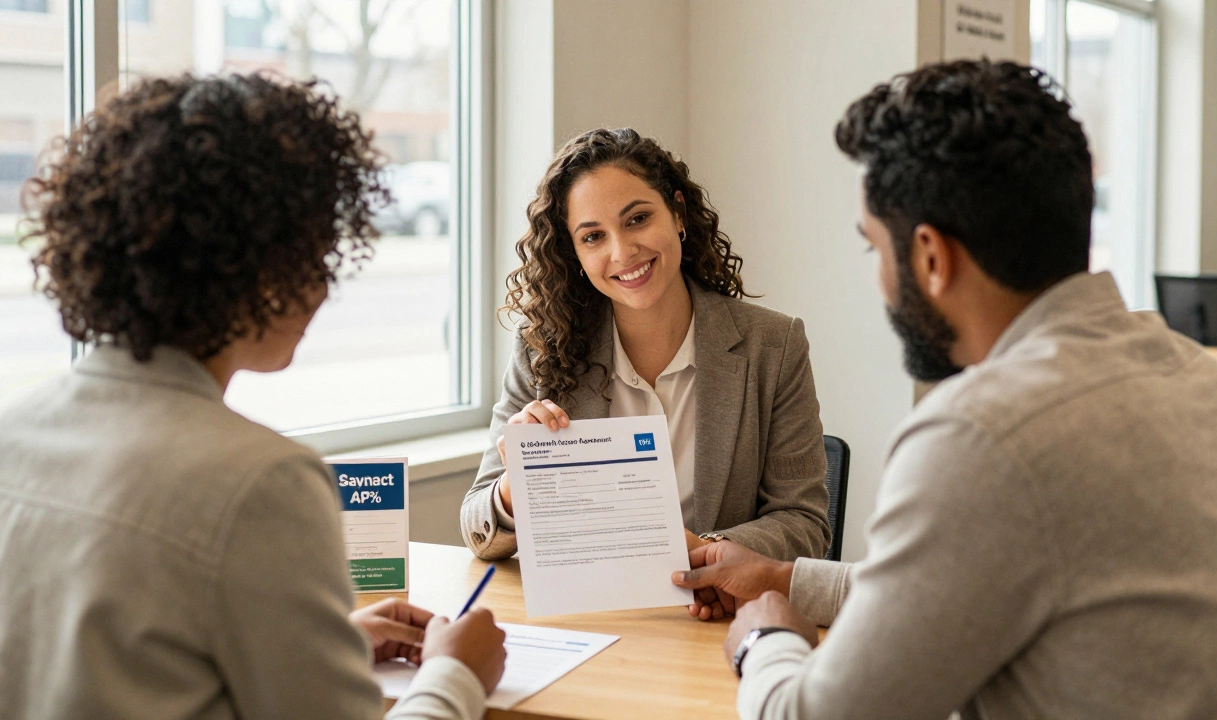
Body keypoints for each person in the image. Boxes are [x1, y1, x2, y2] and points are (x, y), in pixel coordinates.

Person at [671, 60, 1217, 718]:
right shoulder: (1198, 377)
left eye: (874, 249)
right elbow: (950, 592)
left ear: (931, 258)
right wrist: (783, 580)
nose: (878, 277)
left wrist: (766, 639)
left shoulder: (982, 434)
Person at [0, 74, 505, 720]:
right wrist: (456, 674)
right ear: (256, 265)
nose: (324, 287)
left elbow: (115, 670)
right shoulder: (261, 485)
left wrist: (327, 645)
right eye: (315, 255)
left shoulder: (13, 432)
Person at [459, 128, 830, 564]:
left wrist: (706, 552)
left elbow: (804, 525)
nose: (623, 251)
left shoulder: (773, 346)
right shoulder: (541, 346)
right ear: (573, 253)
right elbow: (477, 532)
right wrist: (513, 487)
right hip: (589, 614)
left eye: (637, 219)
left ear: (677, 213)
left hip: (713, 612)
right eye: (593, 237)